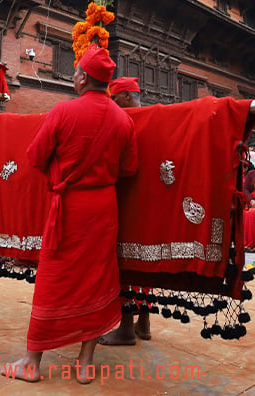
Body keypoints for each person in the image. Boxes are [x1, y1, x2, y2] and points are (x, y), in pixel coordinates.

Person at [4, 46, 138, 384]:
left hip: (67, 208)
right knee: (95, 280)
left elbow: (35, 158)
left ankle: (32, 362)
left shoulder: (63, 112)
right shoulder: (124, 119)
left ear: (81, 77)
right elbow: (129, 168)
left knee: (54, 279)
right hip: (103, 210)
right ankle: (85, 363)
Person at [100, 75, 151, 347]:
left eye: (115, 98)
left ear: (128, 97)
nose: (112, 103)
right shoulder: (153, 119)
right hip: (149, 202)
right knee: (142, 260)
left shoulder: (125, 121)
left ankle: (125, 328)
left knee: (125, 264)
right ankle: (144, 321)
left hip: (126, 200)